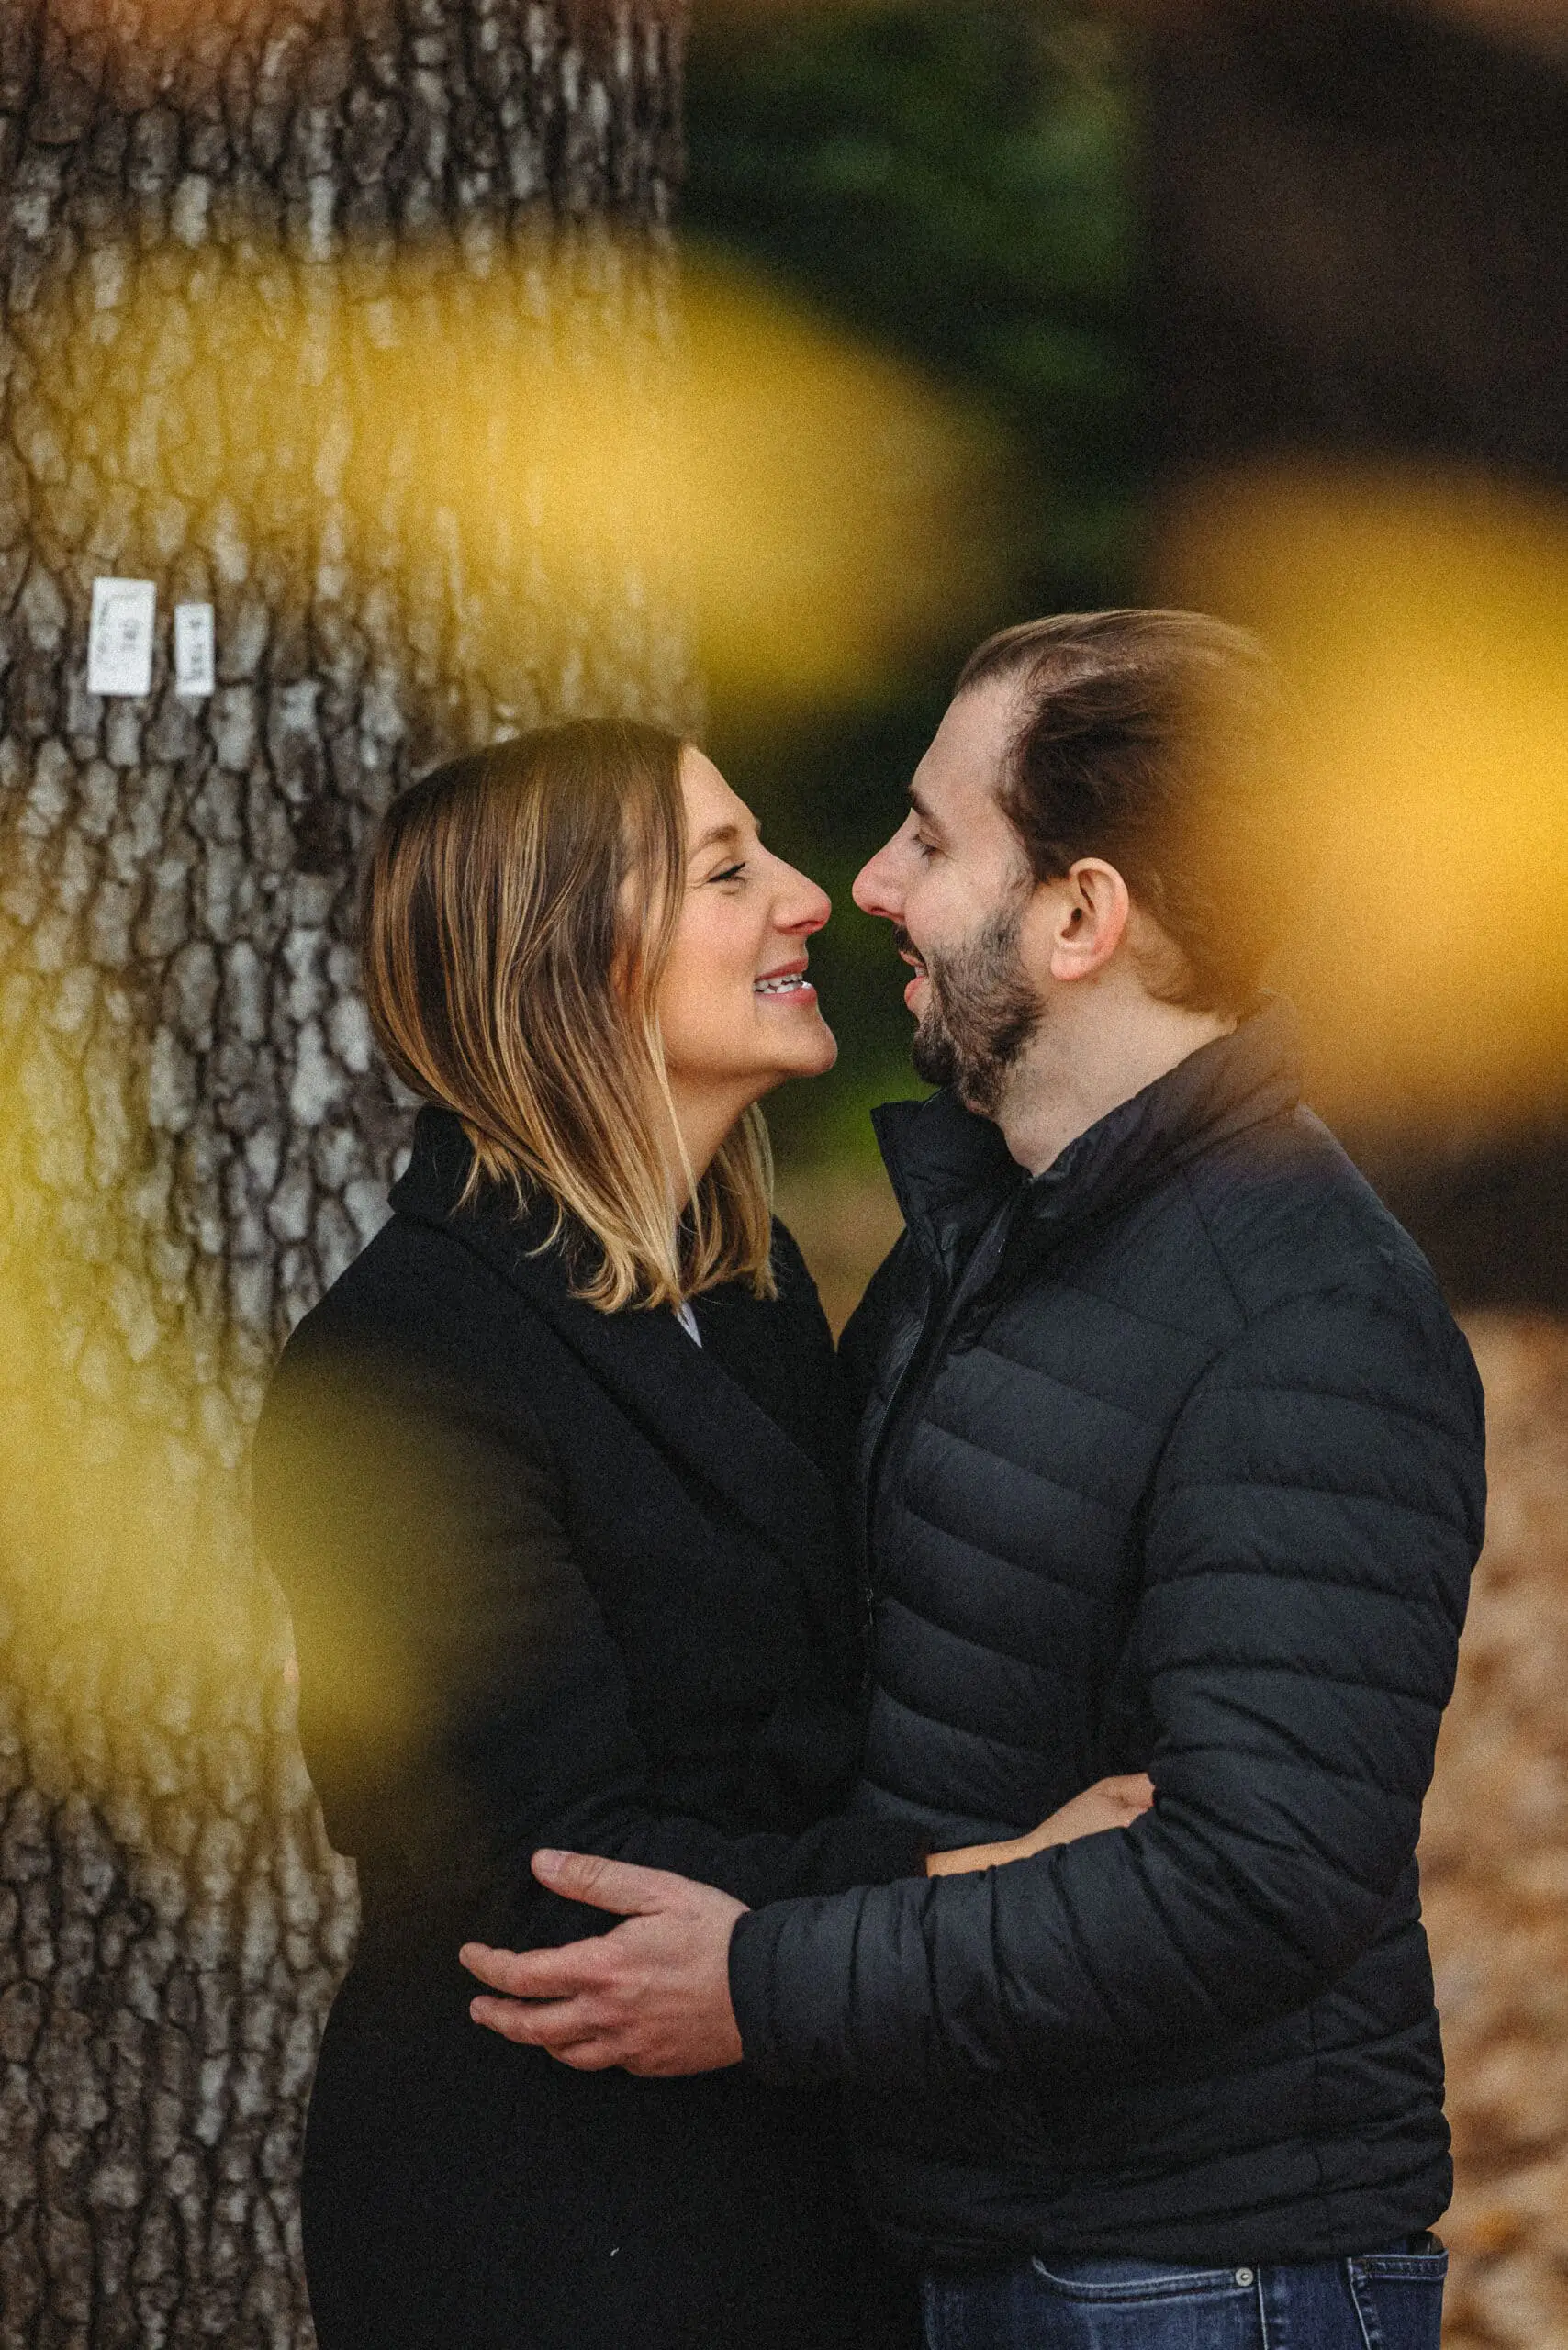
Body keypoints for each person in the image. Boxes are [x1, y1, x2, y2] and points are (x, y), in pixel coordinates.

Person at [461, 615, 1488, 2350]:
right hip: (979, 2232)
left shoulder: (1306, 1315)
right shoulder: (997, 1230)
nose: (865, 886)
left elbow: (1255, 1883)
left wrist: (762, 1983)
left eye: (933, 842)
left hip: (1191, 2273)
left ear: (1082, 917)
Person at [254, 718, 1143, 2350]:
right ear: (566, 964)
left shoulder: (744, 1290)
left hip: (793, 2174)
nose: (809, 897)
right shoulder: (401, 1365)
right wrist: (984, 1885)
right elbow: (545, 1881)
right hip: (550, 2216)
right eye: (728, 872)